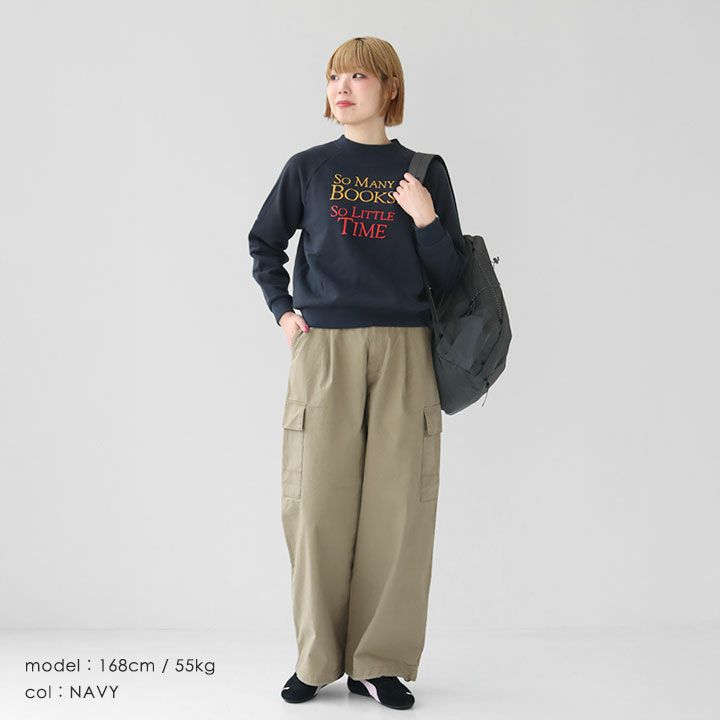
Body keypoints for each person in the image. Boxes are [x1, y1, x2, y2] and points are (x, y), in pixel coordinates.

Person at [248, 36, 468, 710]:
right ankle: (316, 659)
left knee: (398, 510)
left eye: (359, 76)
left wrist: (426, 221)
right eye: (334, 77)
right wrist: (284, 312)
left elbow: (452, 277)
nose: (342, 88)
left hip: (406, 351)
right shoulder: (308, 168)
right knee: (316, 504)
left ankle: (377, 663)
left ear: (389, 88)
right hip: (325, 351)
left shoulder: (423, 171)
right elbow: (263, 242)